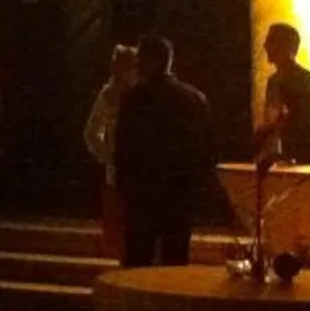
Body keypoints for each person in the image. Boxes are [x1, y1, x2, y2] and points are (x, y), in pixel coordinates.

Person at [112, 35, 214, 267]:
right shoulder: (194, 99)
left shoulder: (134, 99)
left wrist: (123, 188)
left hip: (142, 193)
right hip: (179, 194)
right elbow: (206, 148)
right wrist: (198, 189)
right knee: (175, 261)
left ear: (150, 61)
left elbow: (124, 147)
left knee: (137, 260)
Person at [81, 42, 138, 261]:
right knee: (121, 230)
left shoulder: (143, 93)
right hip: (119, 174)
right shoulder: (109, 95)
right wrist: (109, 156)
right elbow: (91, 132)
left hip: (140, 172)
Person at [256, 21, 310, 165]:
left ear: (283, 46)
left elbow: (274, 123)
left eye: (271, 40)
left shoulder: (279, 81)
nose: (265, 46)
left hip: (298, 165)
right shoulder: (308, 79)